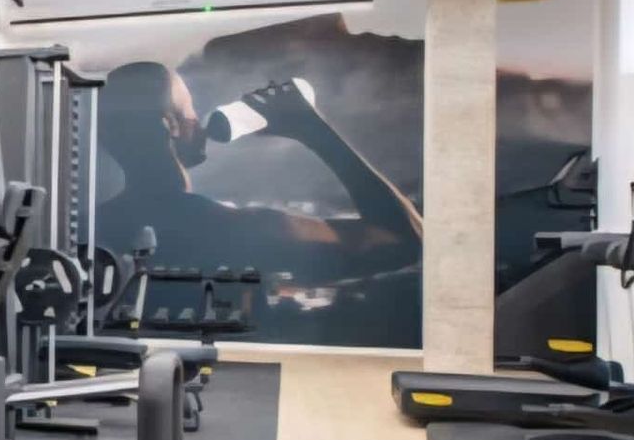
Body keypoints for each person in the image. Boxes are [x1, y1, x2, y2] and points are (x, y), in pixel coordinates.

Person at [98, 61, 423, 283]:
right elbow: (406, 240)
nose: (198, 119)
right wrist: (314, 132)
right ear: (170, 125)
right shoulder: (222, 226)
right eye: (190, 109)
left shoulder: (96, 224)